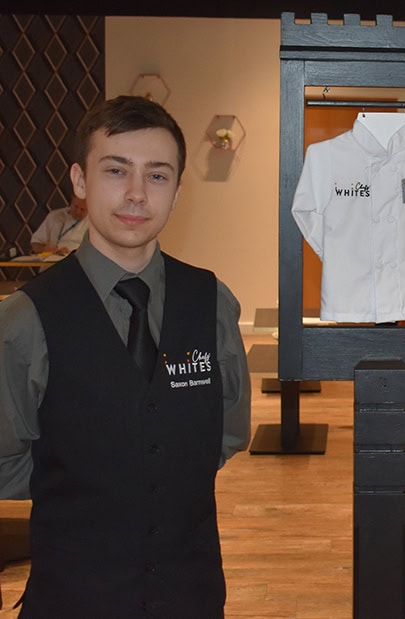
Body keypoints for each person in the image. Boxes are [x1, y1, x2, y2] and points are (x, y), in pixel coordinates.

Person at [0, 95, 252, 616]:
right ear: (79, 181)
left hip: (192, 592)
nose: (136, 194)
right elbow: (6, 461)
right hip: (73, 595)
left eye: (157, 176)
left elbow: (224, 434)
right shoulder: (26, 318)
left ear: (178, 191)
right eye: (116, 170)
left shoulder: (212, 303)